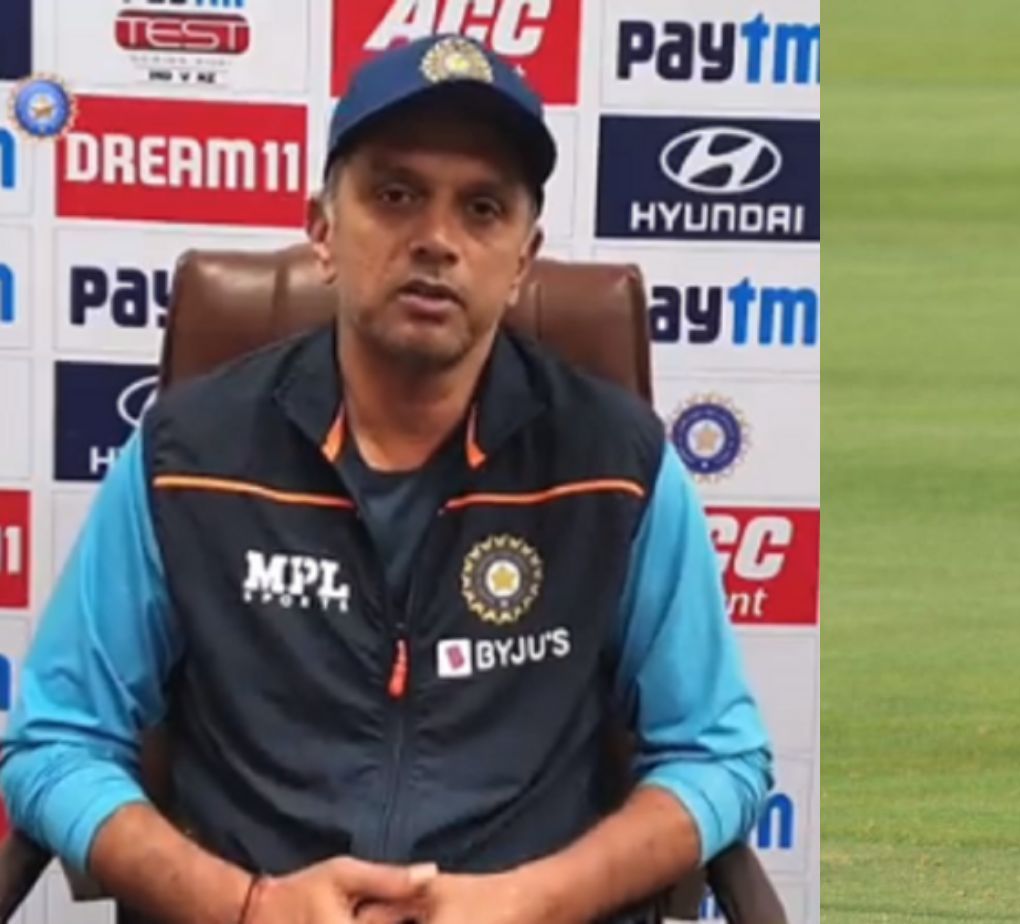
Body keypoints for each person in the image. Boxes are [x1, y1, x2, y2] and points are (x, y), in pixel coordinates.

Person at [0, 33, 772, 924]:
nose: (437, 239)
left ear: (522, 260)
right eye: (396, 195)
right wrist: (250, 907)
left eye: (482, 209)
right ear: (324, 230)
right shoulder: (186, 457)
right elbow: (56, 744)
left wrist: (530, 900)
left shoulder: (618, 466)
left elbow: (719, 756)